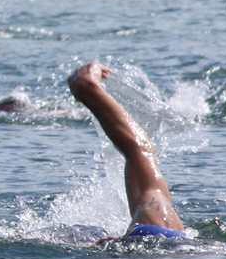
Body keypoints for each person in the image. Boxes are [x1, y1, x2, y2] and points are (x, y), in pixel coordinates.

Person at [67, 62, 189, 242]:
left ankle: (87, 87)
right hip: (164, 242)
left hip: (159, 235)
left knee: (141, 152)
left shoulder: (160, 227)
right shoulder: (165, 235)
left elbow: (139, 149)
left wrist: (84, 85)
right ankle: (87, 88)